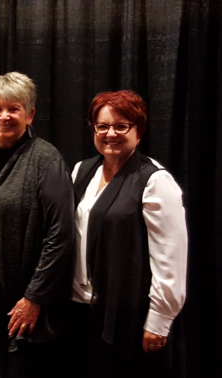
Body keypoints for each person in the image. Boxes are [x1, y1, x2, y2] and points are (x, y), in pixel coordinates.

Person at [0, 72, 75, 377]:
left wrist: (34, 298)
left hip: (19, 307)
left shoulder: (46, 160)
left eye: (14, 109)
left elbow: (59, 236)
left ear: (30, 114)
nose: (4, 117)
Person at [64, 90, 187, 377]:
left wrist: (159, 321)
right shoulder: (82, 170)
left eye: (121, 126)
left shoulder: (155, 180)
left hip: (128, 316)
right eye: (103, 126)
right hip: (80, 310)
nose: (111, 134)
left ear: (139, 130)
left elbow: (170, 259)